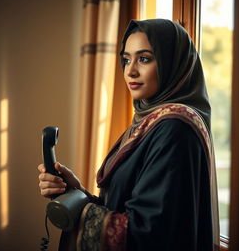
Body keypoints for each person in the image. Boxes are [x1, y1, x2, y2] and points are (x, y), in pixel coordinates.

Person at [38, 19, 220, 251]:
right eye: (126, 60)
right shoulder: (151, 120)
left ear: (172, 63)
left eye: (144, 59)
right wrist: (73, 192)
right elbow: (125, 209)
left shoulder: (174, 128)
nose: (130, 71)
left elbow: (146, 235)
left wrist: (77, 209)